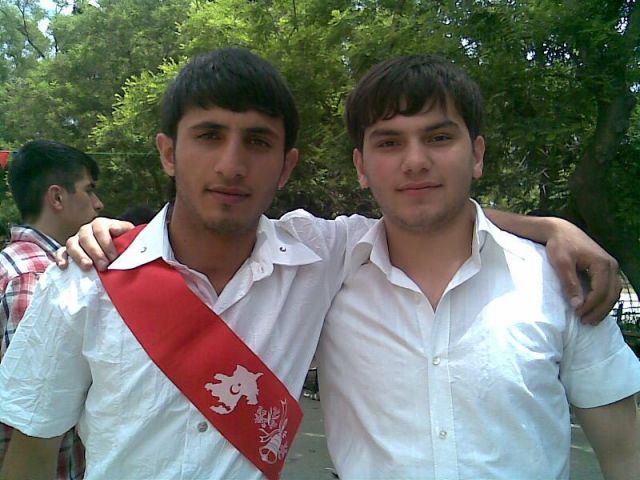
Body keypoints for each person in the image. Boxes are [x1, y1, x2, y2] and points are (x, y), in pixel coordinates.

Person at [0, 48, 623, 480]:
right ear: (168, 152)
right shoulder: (86, 280)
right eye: (209, 136)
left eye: (257, 141)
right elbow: (30, 453)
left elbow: (428, 209)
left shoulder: (317, 256)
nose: (231, 165)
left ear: (286, 165)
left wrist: (552, 228)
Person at [315, 54, 640, 479]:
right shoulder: (325, 275)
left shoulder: (557, 282)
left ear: (477, 155)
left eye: (438, 137)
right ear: (361, 167)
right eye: (389, 143)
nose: (415, 161)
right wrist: (548, 224)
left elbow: (626, 455)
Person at [0, 139, 104, 480]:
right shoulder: (39, 276)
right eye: (89, 190)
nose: (99, 204)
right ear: (57, 197)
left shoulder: (11, 263)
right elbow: (31, 417)